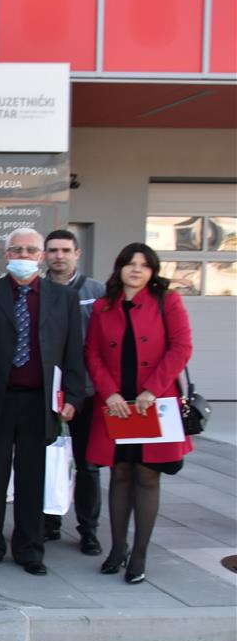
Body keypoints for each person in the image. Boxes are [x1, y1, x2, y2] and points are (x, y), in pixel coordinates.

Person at [0, 228, 85, 576]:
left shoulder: (62, 297)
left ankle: (30, 549)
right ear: (6, 255)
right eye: (16, 250)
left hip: (40, 402)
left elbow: (73, 351)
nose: (23, 255)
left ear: (40, 256)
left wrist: (73, 396)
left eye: (30, 250)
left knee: (32, 478)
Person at [85, 243, 193, 585]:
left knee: (147, 475)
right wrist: (109, 393)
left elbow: (181, 347)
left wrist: (153, 390)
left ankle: (140, 554)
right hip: (117, 405)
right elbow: (92, 353)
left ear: (152, 271)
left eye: (144, 265)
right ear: (119, 268)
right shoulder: (103, 306)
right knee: (119, 473)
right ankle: (117, 549)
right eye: (130, 263)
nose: (136, 269)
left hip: (153, 403)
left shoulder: (167, 301)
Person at [43, 228, 108, 554]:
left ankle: (88, 530)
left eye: (65, 250)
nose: (59, 256)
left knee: (88, 465)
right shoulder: (37, 289)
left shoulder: (96, 292)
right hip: (46, 392)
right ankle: (48, 523)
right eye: (53, 250)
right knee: (46, 459)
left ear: (77, 254)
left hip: (87, 392)